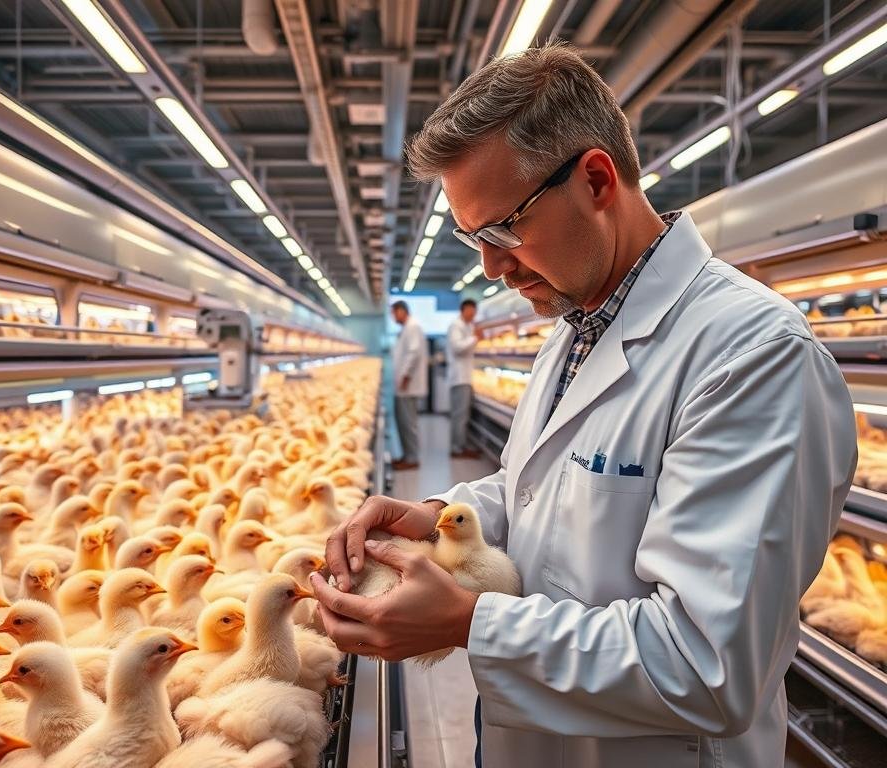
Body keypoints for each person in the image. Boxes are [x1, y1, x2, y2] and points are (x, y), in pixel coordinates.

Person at [312, 43, 857, 768]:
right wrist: (445, 515)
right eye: (473, 238)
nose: (492, 268)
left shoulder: (752, 357)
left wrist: (475, 622)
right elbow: (543, 491)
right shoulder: (572, 327)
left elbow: (707, 665)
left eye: (503, 229)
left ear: (596, 179)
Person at [390, 300, 428, 470]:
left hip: (408, 385)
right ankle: (407, 455)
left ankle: (412, 459)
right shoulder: (407, 328)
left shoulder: (412, 327)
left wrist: (405, 376)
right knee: (405, 422)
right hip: (405, 385)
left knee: (408, 423)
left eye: (394, 313)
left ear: (401, 311)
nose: (393, 317)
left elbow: (414, 353)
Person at [446, 298, 483, 458]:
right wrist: (475, 338)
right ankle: (457, 449)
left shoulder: (467, 326)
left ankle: (460, 445)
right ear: (464, 310)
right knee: (460, 415)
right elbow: (457, 348)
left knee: (462, 415)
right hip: (460, 378)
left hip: (464, 377)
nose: (473, 315)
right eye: (472, 311)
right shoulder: (456, 326)